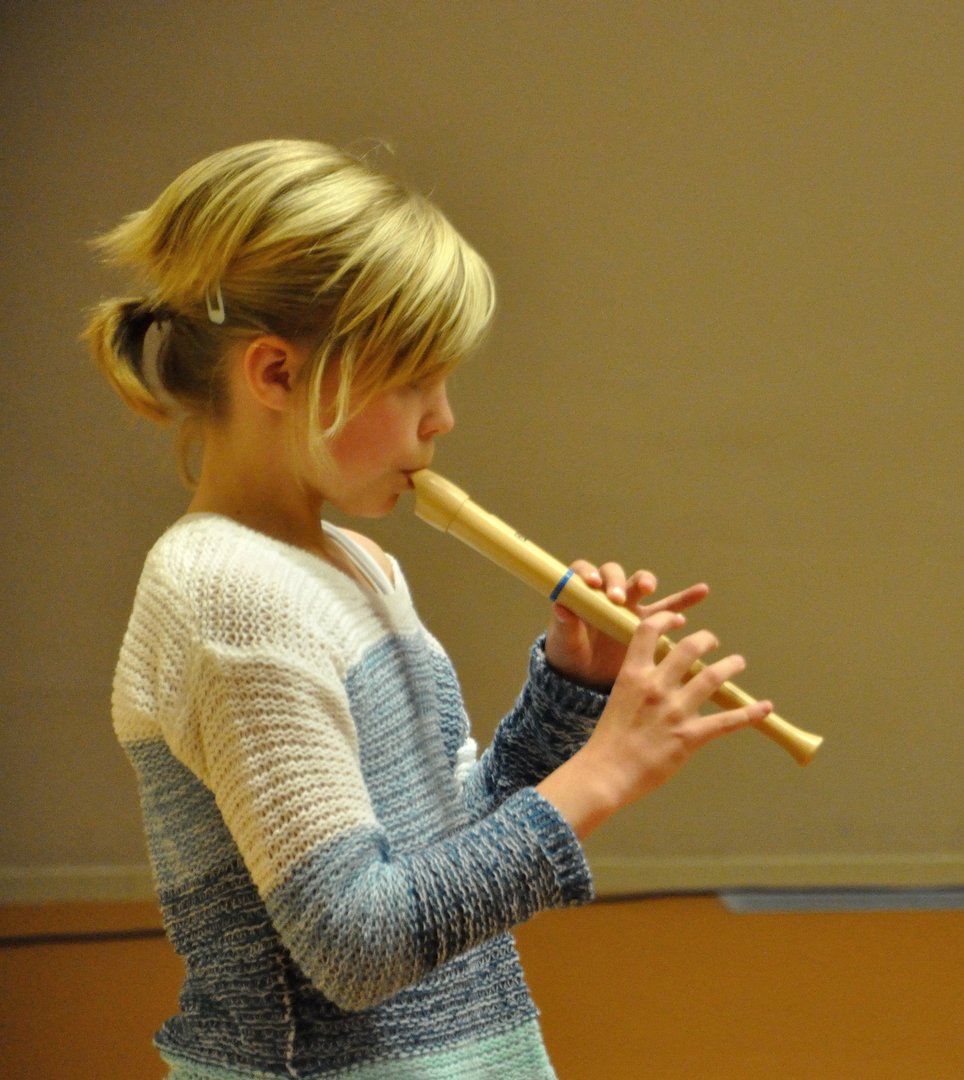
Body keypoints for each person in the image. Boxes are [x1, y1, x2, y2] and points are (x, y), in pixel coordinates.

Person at [84, 139, 772, 1079]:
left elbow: (449, 849)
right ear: (277, 375)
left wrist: (572, 693)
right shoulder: (228, 598)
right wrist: (604, 774)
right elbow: (358, 946)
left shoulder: (359, 565)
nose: (442, 417)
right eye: (413, 378)